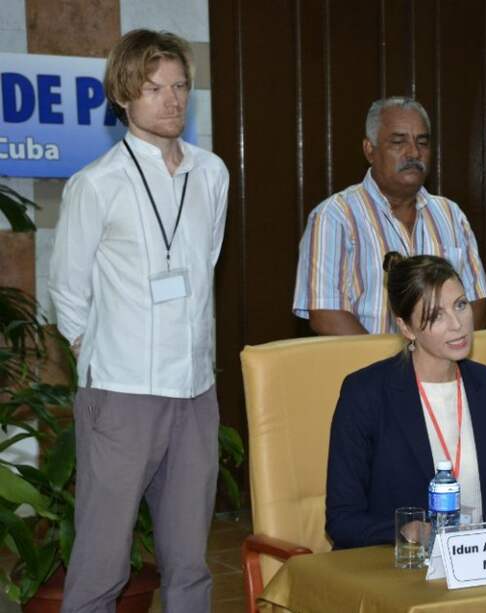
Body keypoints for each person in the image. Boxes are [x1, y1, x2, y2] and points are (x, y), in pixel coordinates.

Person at [49, 29, 228, 611]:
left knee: (190, 565)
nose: (171, 100)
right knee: (102, 563)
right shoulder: (97, 183)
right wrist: (100, 354)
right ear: (125, 96)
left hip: (195, 392)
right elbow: (67, 292)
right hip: (121, 394)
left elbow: (203, 265)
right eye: (154, 88)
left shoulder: (212, 174)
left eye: (179, 86)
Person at [325, 253, 486, 548]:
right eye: (436, 316)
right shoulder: (366, 393)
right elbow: (342, 521)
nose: (457, 324)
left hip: (477, 561)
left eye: (460, 305)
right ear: (406, 328)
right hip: (399, 568)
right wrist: (410, 531)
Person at [293, 96, 486, 336]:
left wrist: (438, 355)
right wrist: (393, 370)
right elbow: (325, 315)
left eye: (422, 142)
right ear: (370, 150)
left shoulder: (451, 214)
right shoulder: (335, 216)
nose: (413, 153)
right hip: (366, 369)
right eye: (398, 142)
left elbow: (477, 300)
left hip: (442, 367)